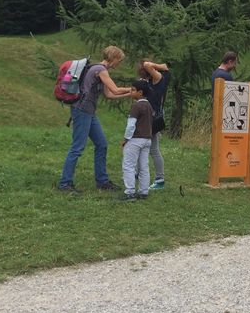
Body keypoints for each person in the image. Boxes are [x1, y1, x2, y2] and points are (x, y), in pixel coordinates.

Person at [58, 45, 132, 193]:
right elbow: (115, 89)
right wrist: (135, 89)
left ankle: (102, 182)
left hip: (90, 113)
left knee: (102, 144)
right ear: (113, 58)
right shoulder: (100, 70)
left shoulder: (100, 70)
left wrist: (130, 94)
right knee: (77, 148)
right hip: (82, 111)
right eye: (119, 60)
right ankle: (65, 183)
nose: (119, 63)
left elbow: (109, 95)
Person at [138, 58, 170, 190]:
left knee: (153, 150)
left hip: (152, 119)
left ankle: (160, 179)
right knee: (140, 145)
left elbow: (147, 64)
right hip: (146, 118)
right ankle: (138, 172)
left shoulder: (158, 79)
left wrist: (161, 66)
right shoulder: (151, 81)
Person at [120, 79, 154, 201]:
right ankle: (143, 191)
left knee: (129, 165)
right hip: (147, 140)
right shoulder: (149, 105)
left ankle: (130, 192)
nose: (131, 92)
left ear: (140, 92)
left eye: (133, 90)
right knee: (143, 166)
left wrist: (126, 139)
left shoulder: (136, 106)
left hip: (135, 139)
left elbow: (131, 125)